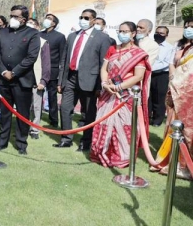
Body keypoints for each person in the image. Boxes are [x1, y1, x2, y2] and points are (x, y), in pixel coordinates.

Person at [90, 21, 151, 168]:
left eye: (125, 32)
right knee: (103, 122)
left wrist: (119, 87)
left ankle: (121, 157)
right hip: (108, 92)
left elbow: (138, 77)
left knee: (123, 125)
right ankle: (101, 153)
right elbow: (104, 69)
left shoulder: (138, 54)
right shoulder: (112, 49)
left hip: (126, 95)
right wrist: (105, 84)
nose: (121, 34)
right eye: (120, 31)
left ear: (133, 34)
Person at [56, 9, 111, 151]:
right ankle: (66, 138)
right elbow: (64, 59)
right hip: (70, 78)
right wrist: (61, 81)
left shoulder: (101, 38)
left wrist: (99, 85)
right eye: (81, 17)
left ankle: (86, 142)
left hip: (90, 81)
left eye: (86, 18)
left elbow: (103, 63)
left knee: (88, 112)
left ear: (93, 20)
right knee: (65, 108)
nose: (83, 20)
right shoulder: (72, 36)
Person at [0, 5, 40, 155]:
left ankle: (21, 144)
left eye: (15, 16)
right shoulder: (3, 32)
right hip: (4, 80)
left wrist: (14, 72)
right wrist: (3, 71)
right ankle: (2, 142)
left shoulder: (32, 33)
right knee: (5, 113)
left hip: (22, 80)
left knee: (22, 113)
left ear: (23, 19)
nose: (12, 18)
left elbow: (31, 57)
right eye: (11, 15)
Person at [153, 19, 193, 180]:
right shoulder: (181, 45)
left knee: (186, 129)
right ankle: (170, 160)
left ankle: (184, 166)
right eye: (187, 26)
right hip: (175, 90)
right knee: (172, 125)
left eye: (192, 27)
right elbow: (173, 64)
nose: (189, 29)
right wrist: (173, 79)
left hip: (188, 95)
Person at [39, 13, 66, 128]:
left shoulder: (60, 37)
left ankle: (54, 119)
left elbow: (62, 56)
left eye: (49, 19)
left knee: (52, 96)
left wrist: (60, 74)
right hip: (39, 69)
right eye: (46, 17)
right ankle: (36, 116)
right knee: (37, 94)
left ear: (54, 23)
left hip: (53, 70)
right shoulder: (38, 34)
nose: (46, 20)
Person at [26, 19, 51, 139]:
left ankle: (34, 129)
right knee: (24, 106)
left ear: (37, 27)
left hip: (36, 79)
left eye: (32, 23)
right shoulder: (22, 40)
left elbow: (46, 64)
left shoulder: (43, 42)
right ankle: (23, 128)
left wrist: (43, 80)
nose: (30, 25)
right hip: (22, 78)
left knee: (36, 106)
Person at [148, 26, 175, 127]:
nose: (159, 35)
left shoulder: (169, 48)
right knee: (148, 97)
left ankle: (157, 120)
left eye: (162, 33)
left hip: (161, 75)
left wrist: (150, 67)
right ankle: (147, 117)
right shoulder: (150, 45)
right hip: (149, 74)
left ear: (166, 35)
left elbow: (166, 63)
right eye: (157, 32)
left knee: (159, 98)